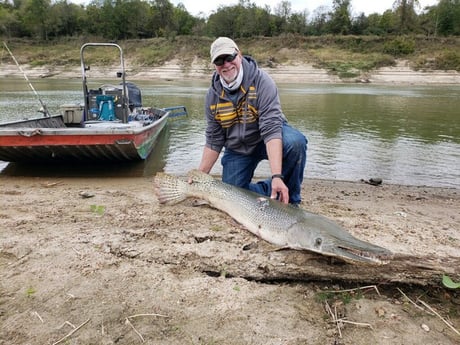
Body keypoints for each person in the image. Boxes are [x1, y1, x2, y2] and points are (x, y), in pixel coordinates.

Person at [196, 37, 308, 205]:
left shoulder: (263, 82)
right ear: (214, 66)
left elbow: (271, 130)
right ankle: (271, 189)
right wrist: (199, 177)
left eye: (229, 57)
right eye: (219, 61)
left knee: (295, 143)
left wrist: (277, 175)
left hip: (267, 138)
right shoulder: (212, 96)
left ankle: (291, 199)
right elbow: (214, 140)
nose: (226, 64)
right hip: (238, 148)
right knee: (232, 194)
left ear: (239, 55)